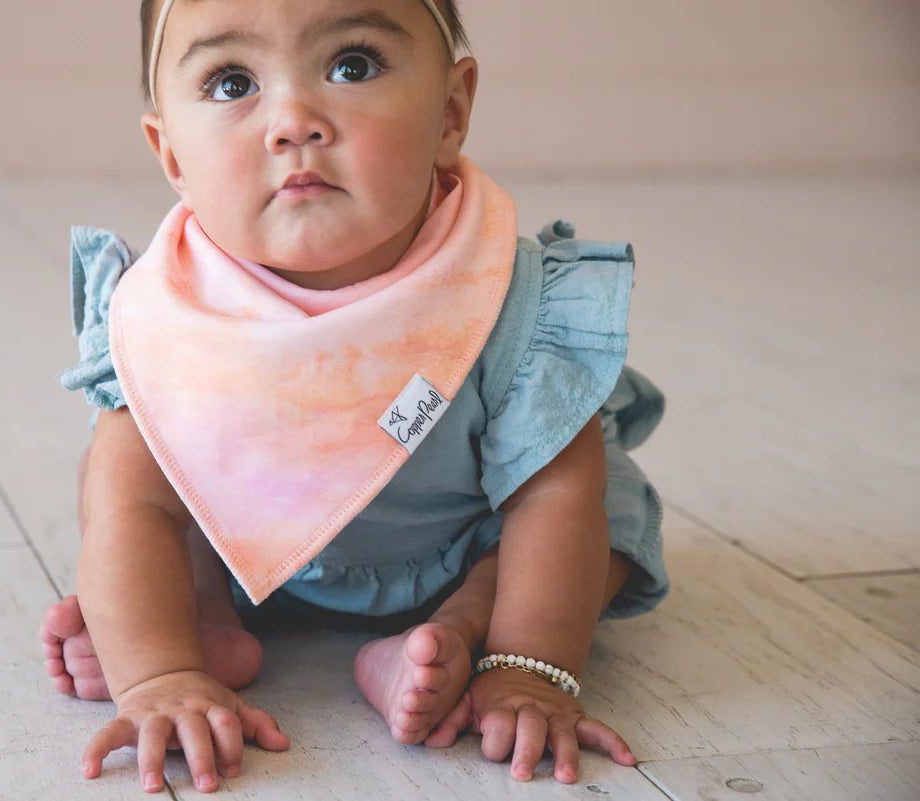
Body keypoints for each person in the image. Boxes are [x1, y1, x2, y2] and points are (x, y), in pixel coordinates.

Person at [38, 0, 669, 793]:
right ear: (171, 154)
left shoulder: (505, 298)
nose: (293, 121)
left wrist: (533, 669)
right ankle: (194, 614)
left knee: (601, 507)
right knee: (127, 473)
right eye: (233, 81)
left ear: (451, 111)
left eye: (353, 66)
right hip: (258, 549)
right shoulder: (168, 320)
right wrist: (154, 673)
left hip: (466, 547)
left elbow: (554, 492)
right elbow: (134, 504)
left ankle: (468, 632)